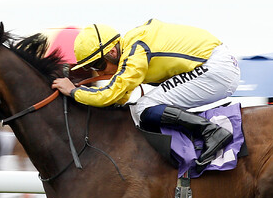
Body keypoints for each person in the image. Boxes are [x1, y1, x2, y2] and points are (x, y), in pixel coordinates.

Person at [51, 20, 240, 166]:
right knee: (140, 107)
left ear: (112, 52)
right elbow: (121, 94)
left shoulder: (135, 52)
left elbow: (110, 94)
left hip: (215, 70)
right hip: (215, 65)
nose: (99, 73)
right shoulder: (132, 47)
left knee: (144, 107)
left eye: (98, 65)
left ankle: (211, 131)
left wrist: (74, 91)